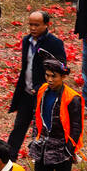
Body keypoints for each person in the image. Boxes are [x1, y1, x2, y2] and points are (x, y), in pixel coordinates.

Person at [29, 59, 87, 171]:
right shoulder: (42, 91)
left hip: (61, 147)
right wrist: (34, 139)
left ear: (63, 77)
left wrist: (70, 150)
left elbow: (76, 127)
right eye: (47, 76)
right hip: (42, 146)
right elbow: (36, 117)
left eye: (54, 76)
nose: (50, 79)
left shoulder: (72, 98)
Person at [8, 11, 68, 156]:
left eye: (37, 25)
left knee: (44, 128)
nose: (33, 28)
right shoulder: (26, 41)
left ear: (46, 25)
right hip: (27, 93)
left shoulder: (54, 43)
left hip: (44, 95)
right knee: (19, 127)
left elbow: (61, 68)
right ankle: (9, 158)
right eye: (30, 25)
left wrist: (42, 86)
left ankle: (44, 157)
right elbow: (26, 67)